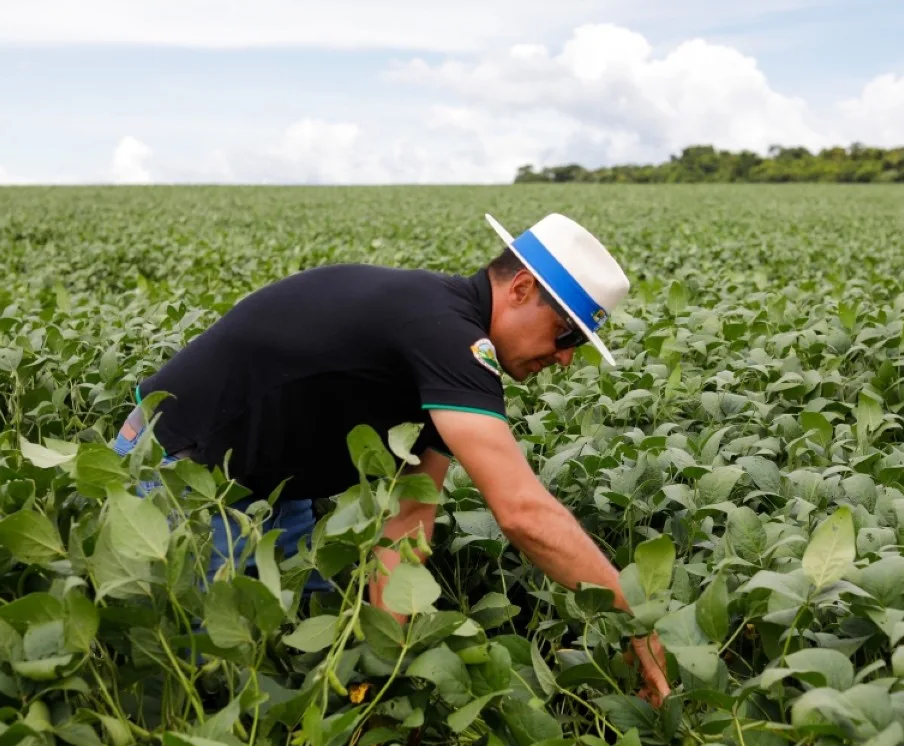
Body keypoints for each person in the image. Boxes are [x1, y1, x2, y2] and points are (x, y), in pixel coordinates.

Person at [112, 212, 671, 707]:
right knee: (197, 688)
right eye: (567, 332)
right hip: (176, 476)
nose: (567, 357)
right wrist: (632, 618)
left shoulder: (442, 334)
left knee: (305, 654)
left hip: (271, 490)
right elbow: (522, 512)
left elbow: (408, 520)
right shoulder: (447, 336)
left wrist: (388, 670)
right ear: (522, 288)